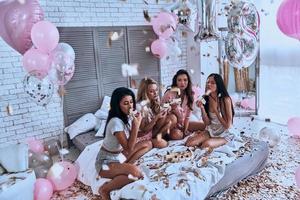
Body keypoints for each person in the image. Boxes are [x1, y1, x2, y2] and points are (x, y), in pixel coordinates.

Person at [95, 87, 151, 200]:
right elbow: (128, 149)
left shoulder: (125, 117)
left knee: (148, 144)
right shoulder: (116, 122)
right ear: (117, 105)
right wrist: (136, 125)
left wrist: (140, 124)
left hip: (119, 156)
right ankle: (104, 189)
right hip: (106, 162)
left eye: (131, 102)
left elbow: (131, 139)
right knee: (137, 173)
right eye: (126, 103)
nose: (130, 106)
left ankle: (124, 166)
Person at [185, 73, 235, 149]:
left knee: (206, 145)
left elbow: (228, 126)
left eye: (212, 83)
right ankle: (208, 139)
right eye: (208, 82)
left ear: (218, 85)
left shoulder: (225, 99)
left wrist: (215, 111)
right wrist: (202, 107)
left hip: (225, 133)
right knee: (189, 143)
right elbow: (207, 123)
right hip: (211, 131)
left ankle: (216, 141)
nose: (209, 84)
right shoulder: (205, 98)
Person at [136, 78, 170, 148]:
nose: (155, 93)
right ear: (144, 93)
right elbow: (144, 130)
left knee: (169, 121)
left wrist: (168, 107)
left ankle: (156, 139)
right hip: (142, 137)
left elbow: (162, 107)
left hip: (151, 133)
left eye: (156, 90)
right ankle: (153, 141)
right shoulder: (140, 106)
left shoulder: (152, 101)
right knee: (164, 144)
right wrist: (156, 118)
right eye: (151, 91)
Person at [162, 69, 194, 140]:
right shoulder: (169, 94)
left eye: (185, 80)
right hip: (170, 124)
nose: (182, 83)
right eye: (179, 80)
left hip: (182, 124)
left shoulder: (190, 95)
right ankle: (164, 135)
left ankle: (184, 133)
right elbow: (162, 111)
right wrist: (171, 108)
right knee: (177, 134)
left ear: (188, 81)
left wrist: (185, 130)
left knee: (203, 126)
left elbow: (187, 117)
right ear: (176, 82)